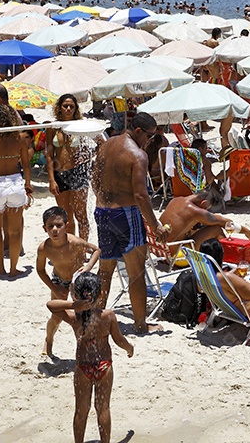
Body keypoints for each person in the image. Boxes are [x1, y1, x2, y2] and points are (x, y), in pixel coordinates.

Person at [91, 111, 167, 334]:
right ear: (138, 131)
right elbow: (141, 196)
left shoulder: (105, 146)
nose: (150, 141)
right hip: (126, 214)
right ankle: (141, 325)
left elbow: (94, 180)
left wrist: (106, 200)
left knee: (105, 269)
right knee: (136, 271)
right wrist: (156, 226)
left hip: (102, 211)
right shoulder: (138, 155)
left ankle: (96, 318)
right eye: (150, 136)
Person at [47, 272, 133, 443]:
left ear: (76, 294)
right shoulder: (108, 316)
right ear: (100, 294)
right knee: (103, 409)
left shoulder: (74, 317)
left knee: (81, 410)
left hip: (83, 367)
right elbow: (119, 340)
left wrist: (74, 305)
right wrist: (129, 348)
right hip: (104, 366)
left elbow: (50, 305)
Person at [37, 206, 100, 358]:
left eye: (59, 225)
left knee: (83, 316)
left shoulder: (75, 242)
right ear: (44, 228)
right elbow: (40, 270)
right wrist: (54, 288)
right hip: (59, 281)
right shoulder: (44, 248)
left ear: (66, 225)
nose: (55, 230)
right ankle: (49, 339)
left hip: (78, 280)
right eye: (50, 226)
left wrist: (89, 266)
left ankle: (84, 346)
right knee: (57, 315)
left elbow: (96, 250)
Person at [0, 103, 33, 277]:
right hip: (15, 182)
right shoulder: (20, 138)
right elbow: (26, 164)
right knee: (15, 230)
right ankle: (13, 268)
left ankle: (0, 266)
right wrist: (28, 184)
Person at [46, 93, 97, 239]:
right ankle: (71, 248)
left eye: (71, 106)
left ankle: (82, 248)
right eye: (65, 106)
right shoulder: (53, 128)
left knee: (81, 215)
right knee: (65, 216)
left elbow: (100, 141)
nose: (68, 109)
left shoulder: (81, 126)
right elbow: (49, 155)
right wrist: (51, 179)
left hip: (78, 172)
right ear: (59, 108)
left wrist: (88, 155)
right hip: (59, 173)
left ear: (76, 109)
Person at [161, 189, 250, 247]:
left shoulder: (175, 200)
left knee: (195, 229)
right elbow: (225, 222)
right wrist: (247, 232)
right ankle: (225, 254)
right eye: (206, 208)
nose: (205, 211)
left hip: (160, 250)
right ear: (203, 203)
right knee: (216, 229)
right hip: (174, 256)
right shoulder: (195, 211)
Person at [199, 238, 250, 319]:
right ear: (221, 255)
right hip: (245, 310)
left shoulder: (203, 276)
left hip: (229, 311)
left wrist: (232, 275)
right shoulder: (227, 278)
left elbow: (201, 289)